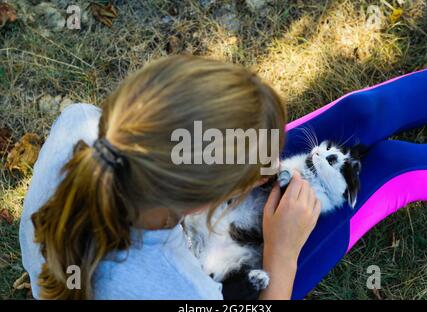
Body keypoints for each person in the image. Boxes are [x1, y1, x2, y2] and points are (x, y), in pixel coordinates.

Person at [20, 55, 321, 299]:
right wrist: (282, 254)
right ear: (205, 202)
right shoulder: (187, 290)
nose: (271, 167)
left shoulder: (79, 120)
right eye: (248, 179)